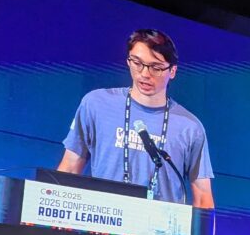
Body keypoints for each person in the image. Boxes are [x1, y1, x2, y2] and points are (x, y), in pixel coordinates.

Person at [57, 29, 215, 207]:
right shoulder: (96, 104)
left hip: (159, 223)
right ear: (128, 61)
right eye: (137, 63)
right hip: (104, 218)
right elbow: (70, 168)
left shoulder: (190, 127)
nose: (145, 74)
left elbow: (203, 197)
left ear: (172, 71)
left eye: (156, 67)